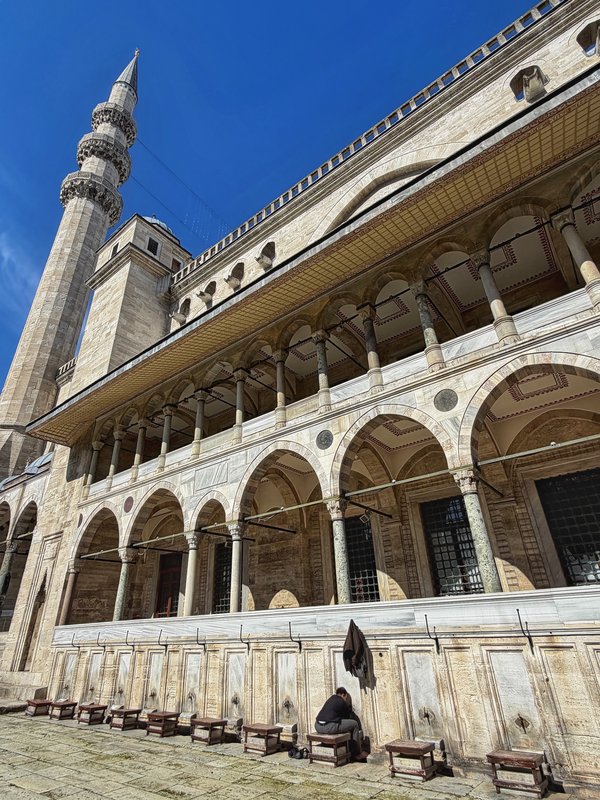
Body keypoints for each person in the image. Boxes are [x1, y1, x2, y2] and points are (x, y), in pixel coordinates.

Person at [315, 687, 368, 762]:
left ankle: (346, 748)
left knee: (344, 725)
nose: (346, 700)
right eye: (346, 698)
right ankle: (357, 754)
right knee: (354, 724)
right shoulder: (341, 701)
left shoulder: (331, 699)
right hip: (329, 726)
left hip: (317, 726)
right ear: (343, 695)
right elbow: (347, 717)